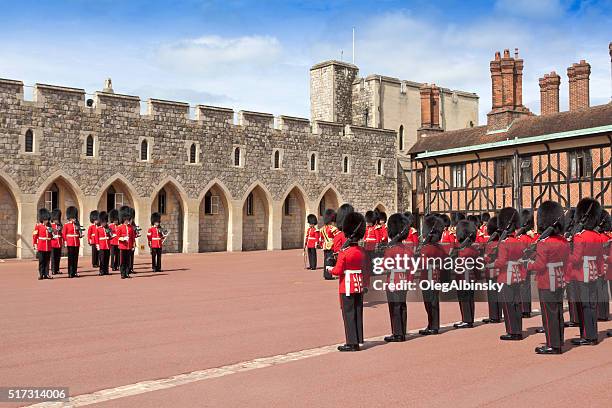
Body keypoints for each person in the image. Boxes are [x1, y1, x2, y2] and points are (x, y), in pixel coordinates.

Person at [526, 201, 568, 354]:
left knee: (549, 314)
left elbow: (539, 265)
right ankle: (559, 340)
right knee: (557, 313)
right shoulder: (563, 241)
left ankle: (552, 345)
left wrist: (527, 264)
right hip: (559, 279)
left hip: (547, 281)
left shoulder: (544, 243)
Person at [567, 198, 605, 346]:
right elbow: (600, 257)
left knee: (586, 306)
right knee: (591, 305)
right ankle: (591, 334)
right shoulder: (597, 236)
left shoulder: (580, 236)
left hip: (582, 274)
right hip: (594, 273)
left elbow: (576, 259)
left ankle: (589, 337)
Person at [331, 211, 367, 352]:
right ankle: (358, 339)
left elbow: (337, 271)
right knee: (358, 311)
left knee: (348, 313)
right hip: (359, 284)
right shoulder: (362, 251)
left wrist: (329, 269)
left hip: (347, 285)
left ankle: (351, 343)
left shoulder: (344, 252)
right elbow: (366, 269)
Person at [494, 207, 526, 341]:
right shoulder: (518, 241)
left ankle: (512, 332)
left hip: (506, 276)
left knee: (507, 305)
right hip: (517, 275)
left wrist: (493, 262)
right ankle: (518, 330)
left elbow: (501, 262)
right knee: (516, 304)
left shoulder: (504, 243)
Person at [383, 213, 412, 342]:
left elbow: (384, 267)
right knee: (402, 306)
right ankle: (403, 331)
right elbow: (411, 268)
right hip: (404, 280)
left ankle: (397, 334)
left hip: (393, 281)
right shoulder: (408, 250)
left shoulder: (391, 250)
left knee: (394, 307)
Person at [418, 214, 447, 335]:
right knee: (434, 301)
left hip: (427, 278)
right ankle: (434, 325)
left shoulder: (426, 248)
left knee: (429, 302)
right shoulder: (440, 248)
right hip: (437, 277)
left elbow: (422, 264)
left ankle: (432, 325)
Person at [452, 220, 479, 329]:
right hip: (471, 277)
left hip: (463, 277)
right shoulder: (472, 249)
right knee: (470, 298)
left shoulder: (462, 250)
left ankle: (466, 320)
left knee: (464, 298)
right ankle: (469, 319)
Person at [517, 209, 538, 318]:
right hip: (528, 263)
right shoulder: (531, 237)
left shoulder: (520, 237)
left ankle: (523, 309)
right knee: (526, 286)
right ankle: (526, 309)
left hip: (520, 264)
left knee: (521, 286)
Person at [482, 216, 502, 323]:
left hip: (491, 271)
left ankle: (494, 316)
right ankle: (498, 314)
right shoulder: (501, 242)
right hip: (500, 271)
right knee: (498, 293)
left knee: (492, 294)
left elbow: (486, 259)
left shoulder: (490, 244)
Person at [595, 210, 610, 321]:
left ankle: (601, 314)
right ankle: (604, 313)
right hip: (607, 266)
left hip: (599, 265)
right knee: (604, 290)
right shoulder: (607, 236)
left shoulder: (599, 237)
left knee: (599, 290)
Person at [33, 208, 53, 280]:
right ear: (42, 219)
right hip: (41, 245)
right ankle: (41, 274)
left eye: (47, 220)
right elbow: (35, 236)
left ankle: (46, 274)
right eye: (45, 220)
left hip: (48, 246)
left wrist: (51, 232)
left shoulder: (49, 227)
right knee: (41, 261)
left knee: (47, 261)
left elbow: (51, 236)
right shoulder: (38, 226)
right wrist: (35, 244)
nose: (46, 221)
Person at [62, 206, 82, 278]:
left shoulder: (77, 225)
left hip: (76, 242)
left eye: (75, 217)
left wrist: (80, 234)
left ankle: (75, 272)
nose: (74, 219)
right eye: (73, 217)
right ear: (70, 217)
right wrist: (65, 241)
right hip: (70, 242)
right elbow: (64, 234)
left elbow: (79, 234)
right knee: (70, 258)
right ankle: (70, 273)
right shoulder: (66, 225)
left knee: (75, 258)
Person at [117, 206, 136, 279]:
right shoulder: (120, 227)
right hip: (123, 246)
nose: (127, 221)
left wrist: (133, 245)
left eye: (128, 219)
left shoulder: (131, 227)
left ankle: (127, 273)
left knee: (128, 261)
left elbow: (133, 237)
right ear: (123, 219)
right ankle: (122, 273)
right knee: (122, 261)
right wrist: (123, 238)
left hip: (129, 246)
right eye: (126, 219)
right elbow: (118, 237)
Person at [320, 209, 338, 280]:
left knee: (326, 260)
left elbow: (321, 238)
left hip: (325, 245)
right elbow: (336, 238)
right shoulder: (333, 228)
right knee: (330, 260)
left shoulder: (322, 229)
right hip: (331, 245)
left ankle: (326, 274)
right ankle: (329, 275)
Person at [96, 211, 111, 276]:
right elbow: (96, 238)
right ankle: (101, 271)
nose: (103, 223)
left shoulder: (108, 228)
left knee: (107, 259)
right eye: (102, 222)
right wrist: (97, 245)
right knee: (101, 259)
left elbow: (110, 236)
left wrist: (110, 234)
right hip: (101, 245)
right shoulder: (98, 229)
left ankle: (106, 271)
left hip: (107, 245)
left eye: (104, 222)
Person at [50, 208, 63, 275]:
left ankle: (57, 270)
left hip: (59, 243)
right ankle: (53, 270)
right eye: (56, 219)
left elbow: (62, 234)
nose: (57, 221)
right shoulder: (51, 226)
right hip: (53, 243)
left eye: (57, 219)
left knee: (58, 257)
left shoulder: (60, 225)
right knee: (53, 258)